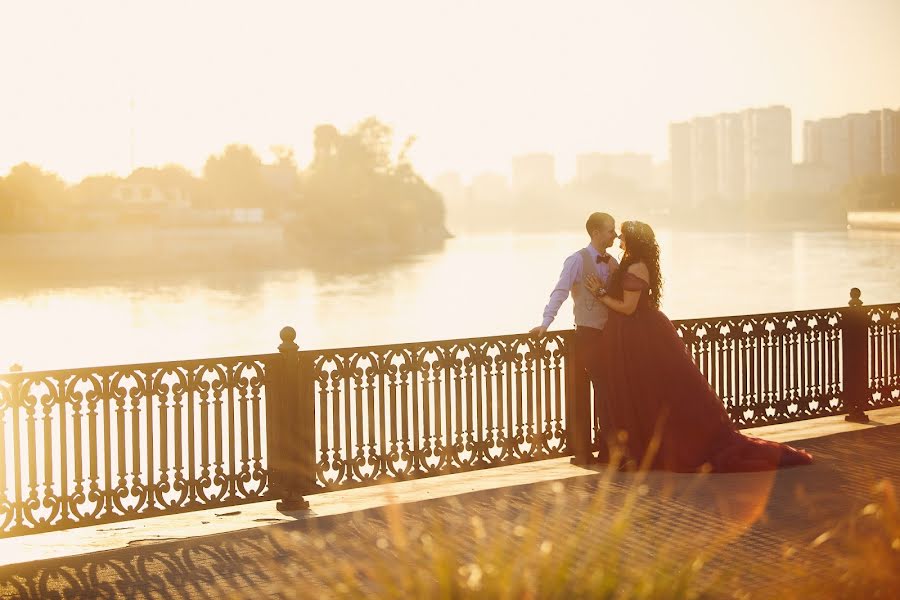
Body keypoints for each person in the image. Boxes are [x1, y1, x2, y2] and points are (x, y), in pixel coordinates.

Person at [584, 220, 812, 472]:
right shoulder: (628, 262)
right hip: (630, 338)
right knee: (642, 394)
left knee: (656, 393)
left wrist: (600, 294)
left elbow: (628, 308)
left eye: (623, 235)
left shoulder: (638, 266)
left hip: (642, 338)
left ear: (634, 240)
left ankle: (657, 448)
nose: (619, 238)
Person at [530, 212, 619, 460]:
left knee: (610, 390)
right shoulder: (576, 260)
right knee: (602, 389)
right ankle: (600, 450)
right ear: (596, 233)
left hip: (612, 335)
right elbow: (559, 291)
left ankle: (608, 448)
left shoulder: (613, 263)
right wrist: (545, 323)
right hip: (588, 334)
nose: (614, 235)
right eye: (610, 230)